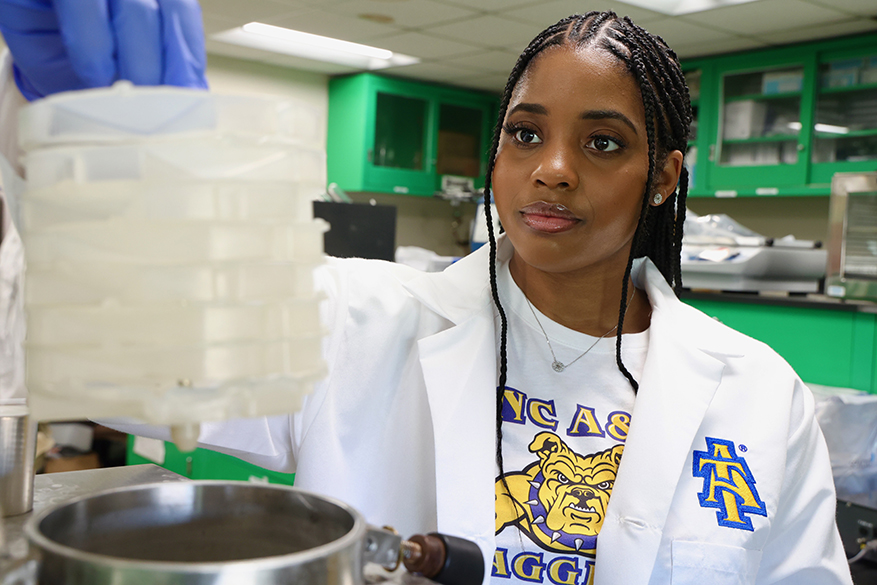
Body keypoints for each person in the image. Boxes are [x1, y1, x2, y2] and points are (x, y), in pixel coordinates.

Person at [0, 3, 853, 584]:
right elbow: (138, 348)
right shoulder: (357, 323)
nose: (550, 168)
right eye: (525, 133)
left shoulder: (754, 392)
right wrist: (86, 149)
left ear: (664, 176)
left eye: (601, 143)